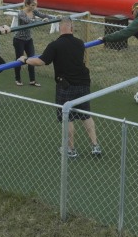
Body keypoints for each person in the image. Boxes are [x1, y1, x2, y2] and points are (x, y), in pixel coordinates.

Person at [20, 17, 101, 158]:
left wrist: (25, 59)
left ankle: (70, 150)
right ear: (71, 27)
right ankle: (95, 146)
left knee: (68, 117)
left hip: (66, 86)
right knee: (86, 115)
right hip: (83, 83)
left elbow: (41, 61)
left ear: (59, 28)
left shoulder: (55, 45)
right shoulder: (80, 43)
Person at [13, 0, 53, 87]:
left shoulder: (34, 11)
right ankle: (17, 79)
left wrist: (53, 18)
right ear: (27, 4)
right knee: (19, 59)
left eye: (35, 5)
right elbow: (30, 22)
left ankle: (32, 80)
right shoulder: (21, 13)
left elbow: (43, 15)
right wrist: (42, 21)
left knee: (31, 58)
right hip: (19, 40)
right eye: (32, 5)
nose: (34, 7)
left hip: (28, 39)